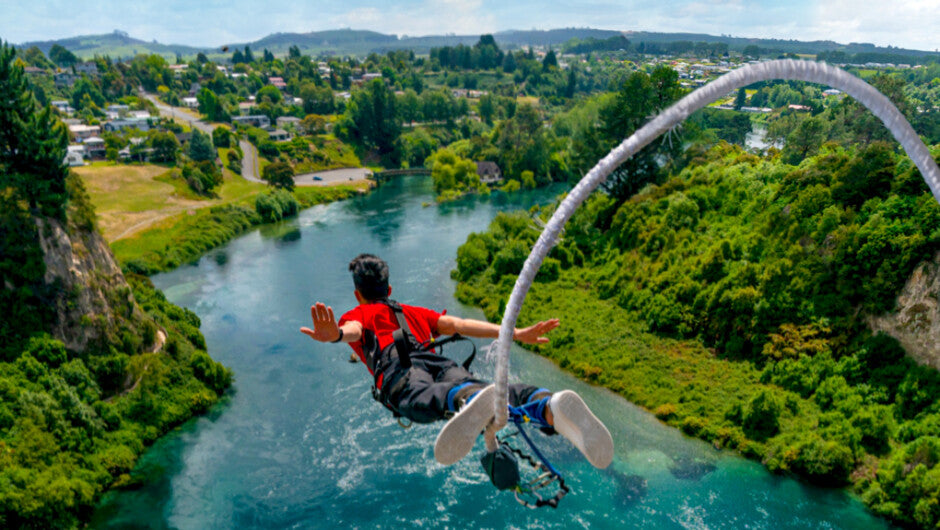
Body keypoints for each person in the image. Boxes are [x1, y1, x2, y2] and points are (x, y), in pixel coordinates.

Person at [301, 254, 613, 469]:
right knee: (491, 392)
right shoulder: (412, 311)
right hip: (440, 363)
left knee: (419, 400)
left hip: (401, 369)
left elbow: (353, 331)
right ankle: (545, 404)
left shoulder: (359, 314)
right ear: (390, 290)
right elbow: (461, 325)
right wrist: (515, 333)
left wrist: (335, 334)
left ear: (358, 295)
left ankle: (470, 399)